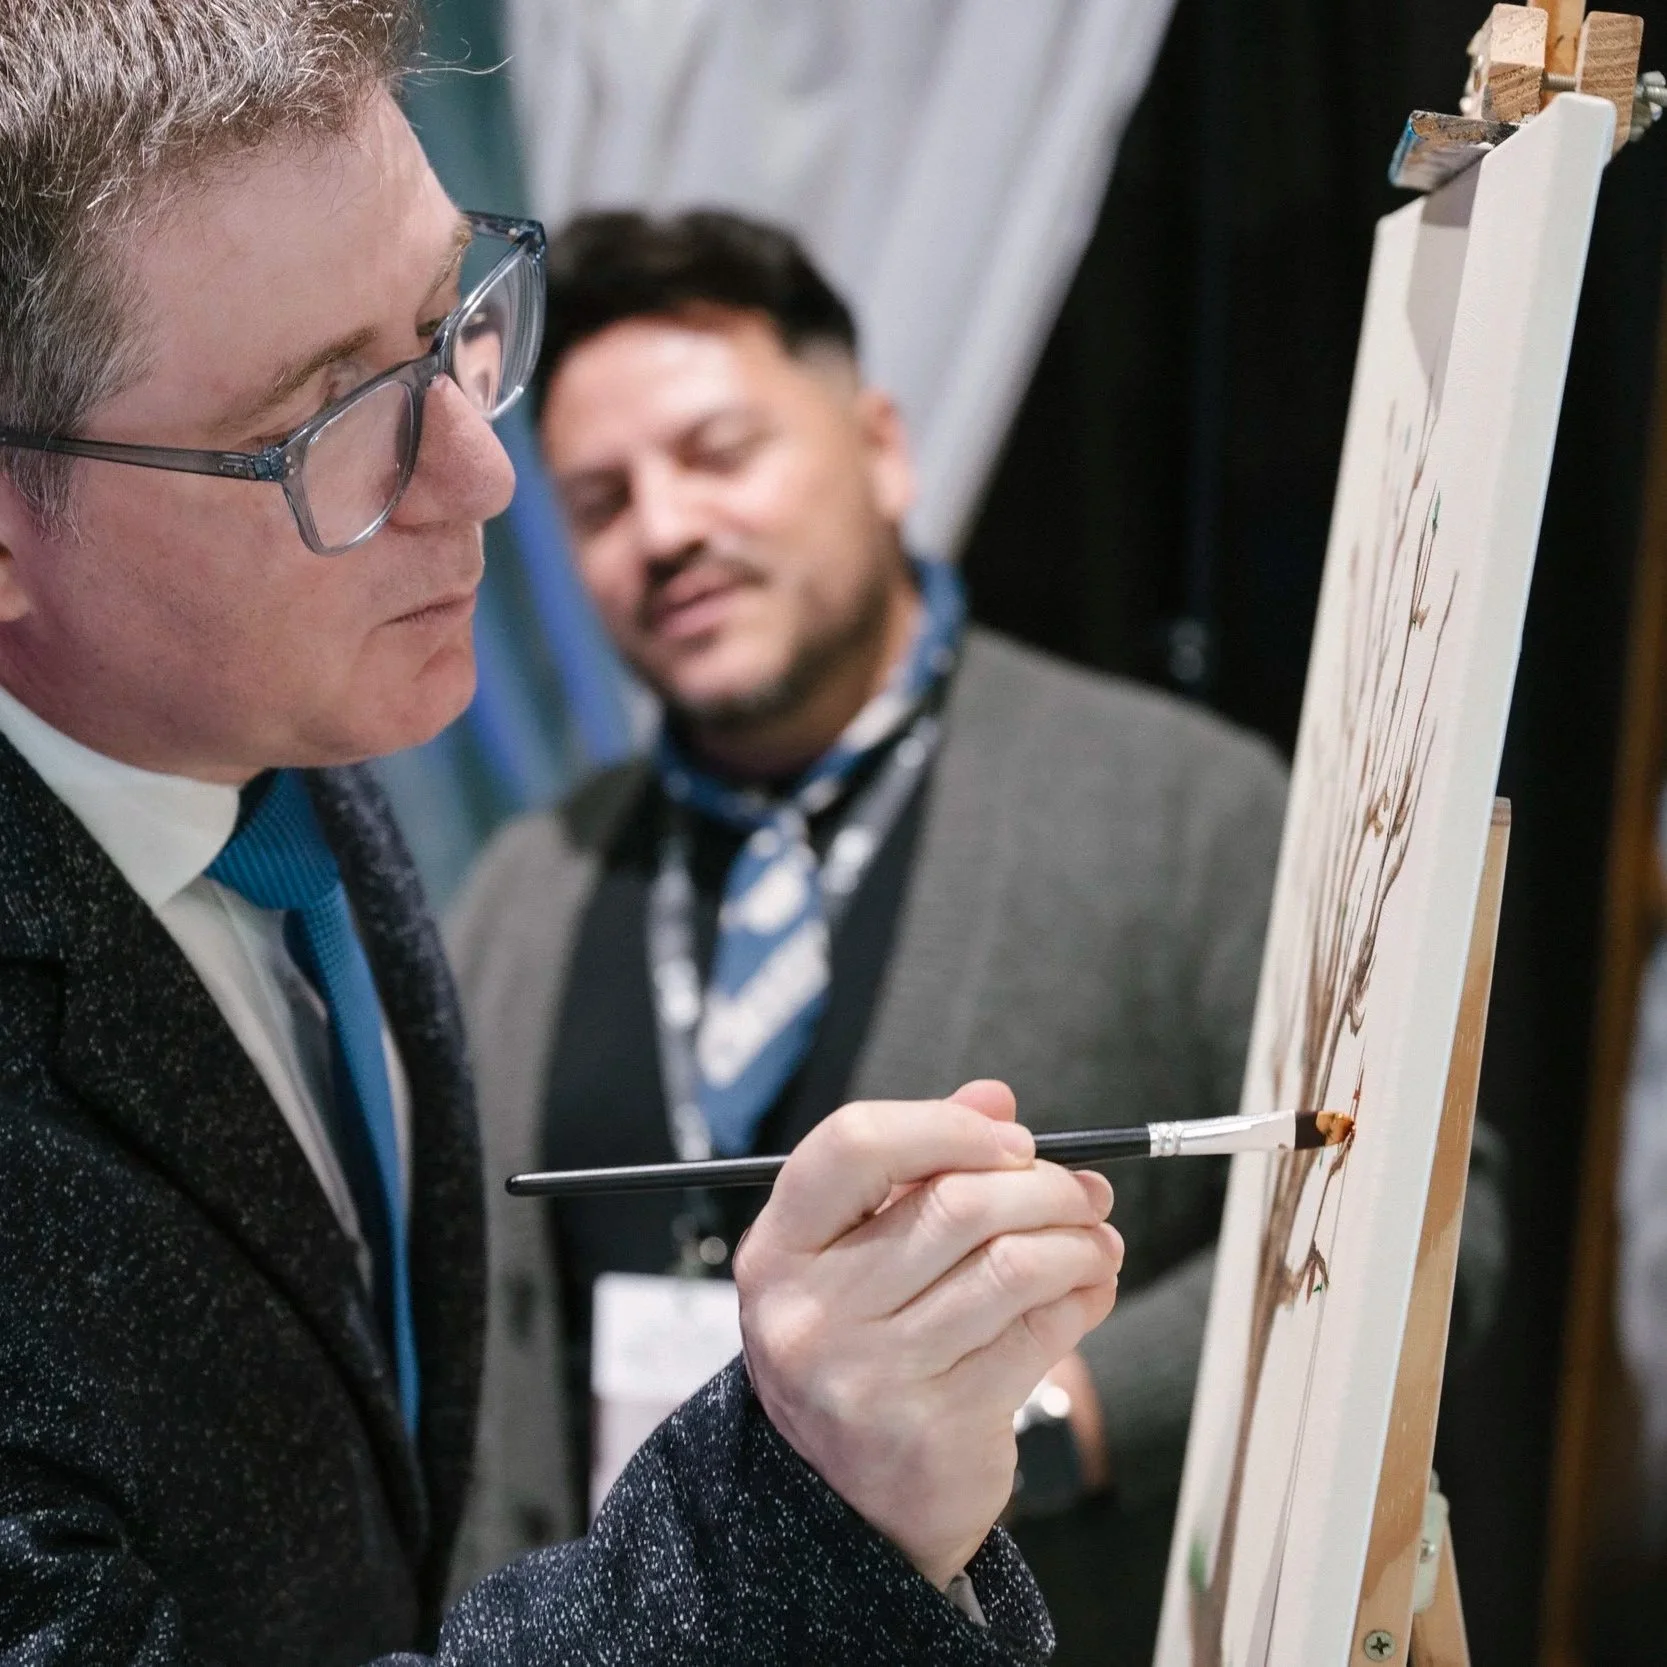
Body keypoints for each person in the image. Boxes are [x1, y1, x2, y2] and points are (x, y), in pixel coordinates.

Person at [0, 8, 1127, 1664]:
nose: (483, 472)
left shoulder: (293, 754)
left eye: (447, 321)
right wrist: (799, 1508)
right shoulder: (492, 842)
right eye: (330, 418)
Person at [446, 208, 1327, 1664]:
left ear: (881, 449)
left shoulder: (1181, 807)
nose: (663, 530)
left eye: (719, 453)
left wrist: (1033, 1426)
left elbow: (1413, 1208)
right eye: (599, 501)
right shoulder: (527, 887)